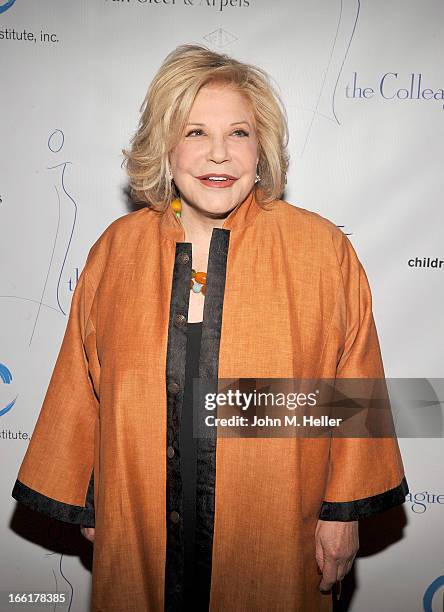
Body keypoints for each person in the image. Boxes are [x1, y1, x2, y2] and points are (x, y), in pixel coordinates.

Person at [11, 43, 408, 611]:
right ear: (164, 145)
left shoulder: (320, 250)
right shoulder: (117, 251)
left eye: (239, 133)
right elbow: (83, 386)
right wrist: (93, 500)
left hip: (275, 528)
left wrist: (341, 514)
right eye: (195, 132)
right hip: (141, 524)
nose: (218, 155)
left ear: (261, 146)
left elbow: (354, 392)